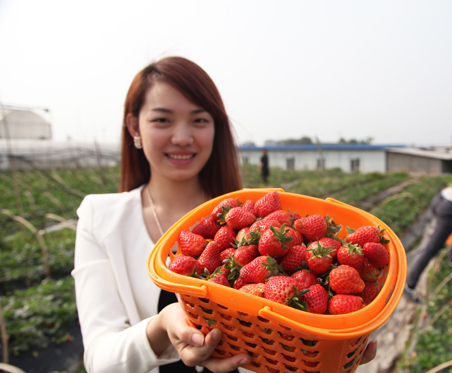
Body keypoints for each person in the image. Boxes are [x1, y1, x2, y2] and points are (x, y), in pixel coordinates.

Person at [72, 56, 377, 373]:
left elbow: (275, 341)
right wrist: (161, 328)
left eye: (199, 120)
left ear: (216, 128)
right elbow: (99, 360)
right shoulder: (100, 218)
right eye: (162, 120)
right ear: (134, 126)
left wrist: (318, 353)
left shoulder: (246, 216)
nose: (182, 137)